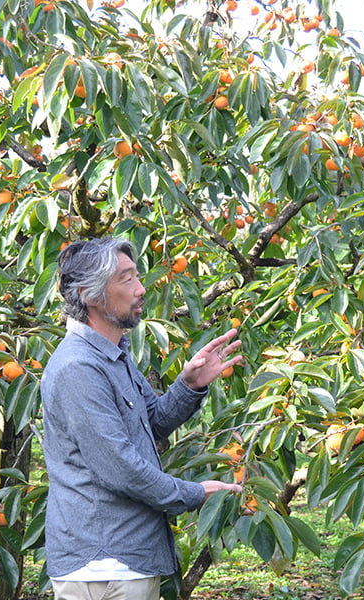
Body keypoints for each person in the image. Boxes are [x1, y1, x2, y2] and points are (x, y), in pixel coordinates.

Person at [41, 237, 245, 600]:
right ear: (90, 295)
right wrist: (192, 493)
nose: (140, 289)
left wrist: (189, 384)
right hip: (103, 568)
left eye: (137, 277)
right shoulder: (79, 367)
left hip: (125, 562)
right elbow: (120, 467)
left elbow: (152, 422)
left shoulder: (112, 354)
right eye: (126, 279)